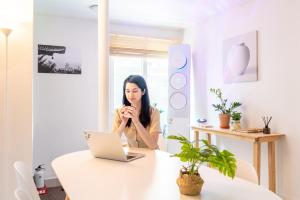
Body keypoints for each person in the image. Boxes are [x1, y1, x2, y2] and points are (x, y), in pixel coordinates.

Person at [112, 75, 162, 149]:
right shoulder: (119, 112)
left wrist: (136, 121)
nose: (130, 95)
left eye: (135, 91)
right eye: (127, 91)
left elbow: (153, 145)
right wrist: (123, 122)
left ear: (143, 91)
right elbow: (113, 141)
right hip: (132, 155)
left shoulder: (153, 112)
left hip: (151, 155)